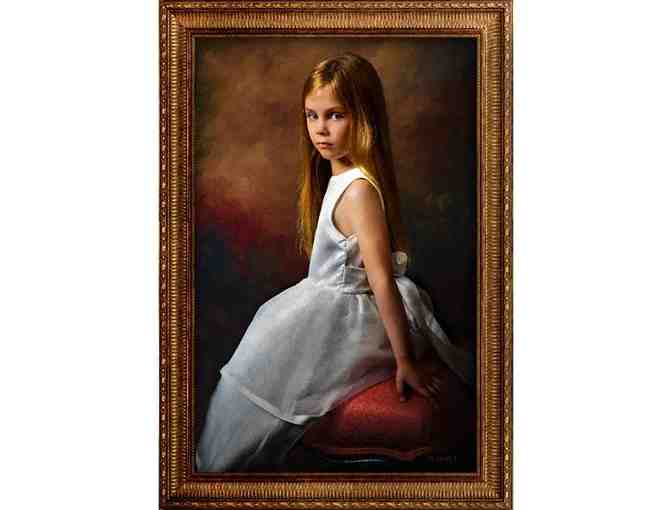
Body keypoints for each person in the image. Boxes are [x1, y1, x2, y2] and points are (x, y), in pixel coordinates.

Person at [195, 52, 474, 472]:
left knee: (271, 378)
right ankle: (214, 476)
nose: (320, 129)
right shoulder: (337, 176)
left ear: (364, 118)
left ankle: (216, 475)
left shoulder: (359, 190)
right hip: (327, 303)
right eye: (312, 116)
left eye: (335, 116)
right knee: (259, 363)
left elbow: (381, 280)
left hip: (352, 319)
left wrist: (404, 362)